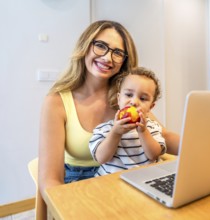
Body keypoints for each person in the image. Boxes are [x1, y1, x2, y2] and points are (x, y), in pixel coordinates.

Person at [38, 20, 180, 219]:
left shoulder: (127, 98)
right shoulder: (57, 101)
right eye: (101, 46)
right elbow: (50, 179)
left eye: (118, 52)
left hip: (125, 180)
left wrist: (199, 146)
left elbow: (162, 134)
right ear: (86, 45)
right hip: (80, 184)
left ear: (124, 60)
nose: (107, 57)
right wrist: (67, 209)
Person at [89, 67, 166, 176]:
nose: (134, 102)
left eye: (143, 98)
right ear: (119, 99)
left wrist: (143, 132)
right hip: (111, 183)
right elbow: (101, 158)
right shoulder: (104, 129)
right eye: (129, 95)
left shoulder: (152, 127)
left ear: (151, 107)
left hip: (143, 180)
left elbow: (153, 155)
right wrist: (115, 133)